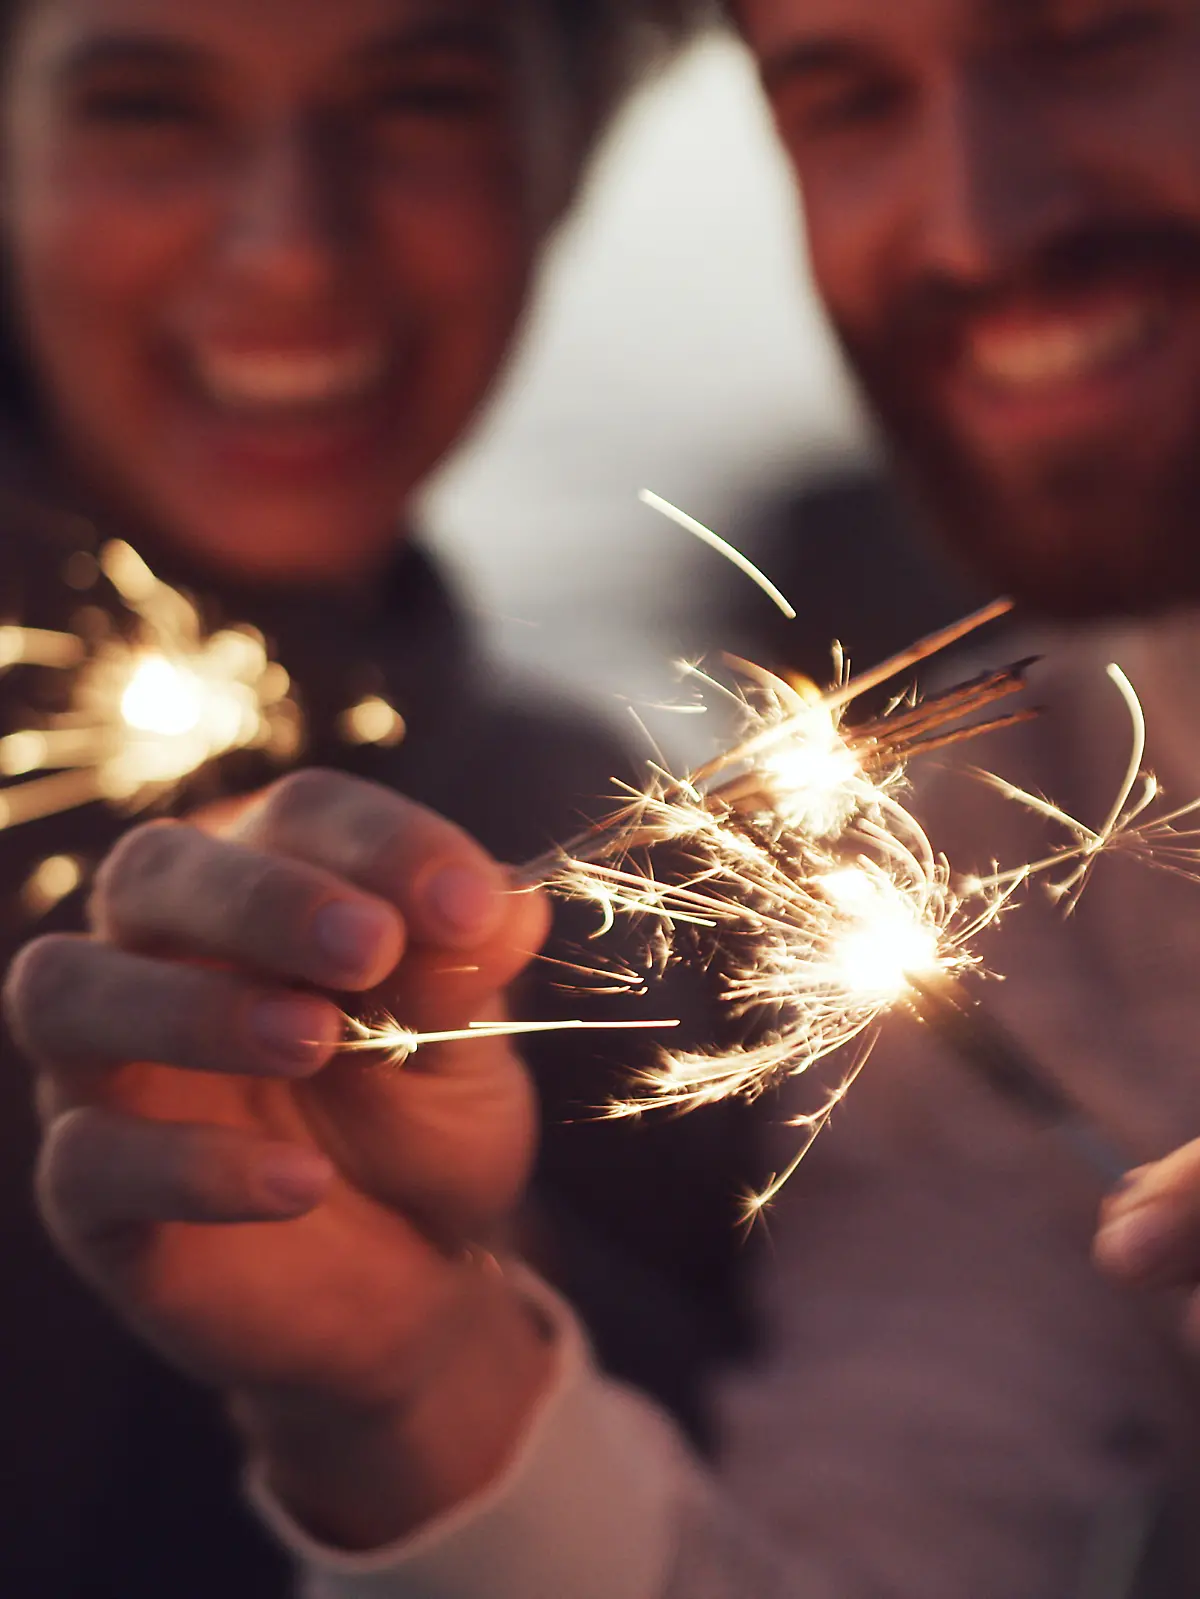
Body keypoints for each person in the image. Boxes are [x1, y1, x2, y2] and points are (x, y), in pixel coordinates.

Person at [14, 2, 1200, 1598]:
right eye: (844, 93)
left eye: (1095, 33)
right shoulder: (1005, 880)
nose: (981, 222)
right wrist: (419, 1395)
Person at [0, 2, 765, 1595]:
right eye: (149, 106)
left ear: (569, 153)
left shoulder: (651, 896)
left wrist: (468, 1330)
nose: (291, 248)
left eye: (418, 102)